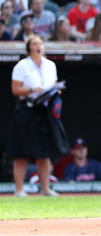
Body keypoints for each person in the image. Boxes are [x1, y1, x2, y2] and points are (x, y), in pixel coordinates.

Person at [8, 34, 63, 197]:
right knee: (21, 152)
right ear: (29, 48)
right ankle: (19, 190)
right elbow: (15, 90)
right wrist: (32, 90)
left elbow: (53, 84)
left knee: (44, 152)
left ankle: (45, 189)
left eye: (40, 43)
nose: (38, 46)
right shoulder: (22, 66)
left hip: (44, 111)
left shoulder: (50, 65)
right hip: (26, 110)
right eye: (35, 44)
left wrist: (55, 91)